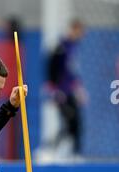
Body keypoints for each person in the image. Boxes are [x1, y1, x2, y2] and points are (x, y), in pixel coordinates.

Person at [47, 20, 86, 155]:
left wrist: (79, 89)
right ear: (73, 29)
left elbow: (72, 72)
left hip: (71, 91)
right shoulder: (61, 47)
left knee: (75, 123)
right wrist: (54, 90)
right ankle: (53, 150)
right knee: (68, 120)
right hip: (62, 92)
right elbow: (52, 68)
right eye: (79, 31)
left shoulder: (74, 48)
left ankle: (74, 153)